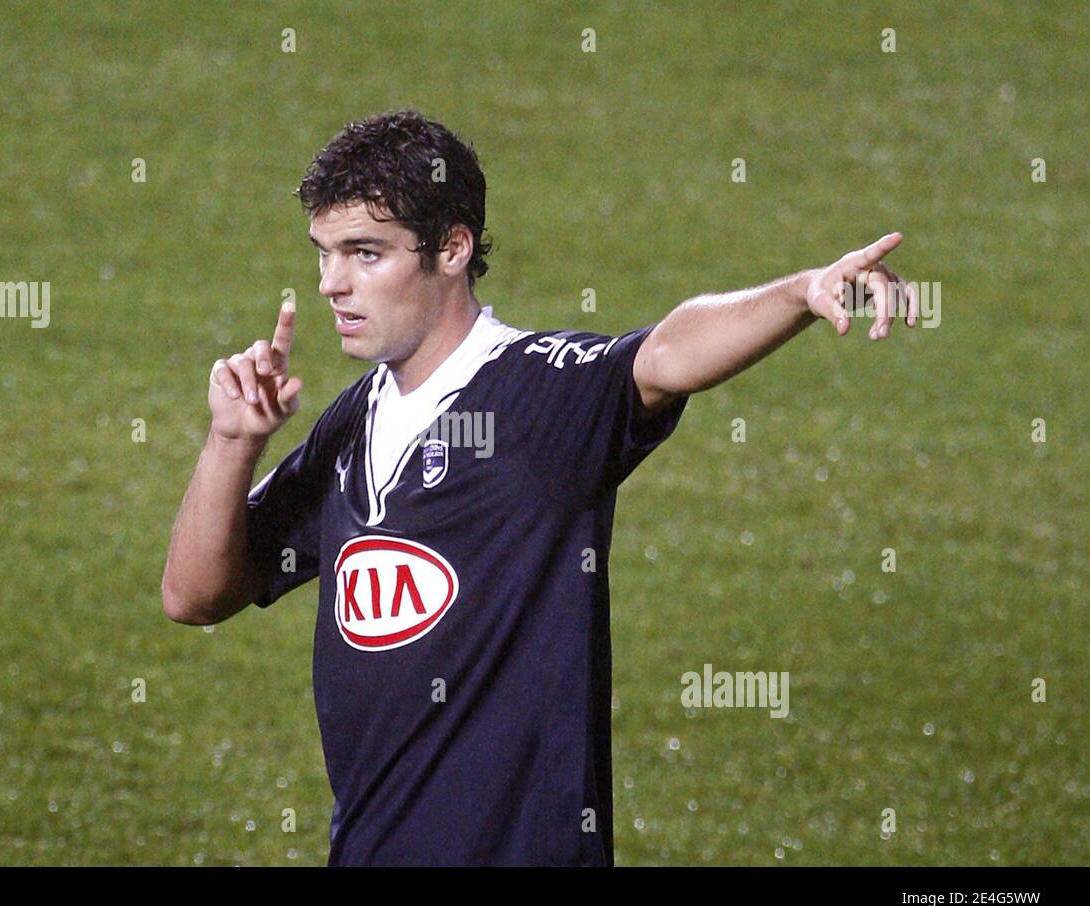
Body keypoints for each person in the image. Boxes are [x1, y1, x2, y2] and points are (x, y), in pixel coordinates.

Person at [161, 109, 917, 865]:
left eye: (365, 253)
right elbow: (193, 597)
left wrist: (803, 291)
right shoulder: (352, 424)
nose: (332, 284)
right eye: (324, 254)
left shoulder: (541, 394)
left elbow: (663, 355)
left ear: (452, 247)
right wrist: (233, 442)